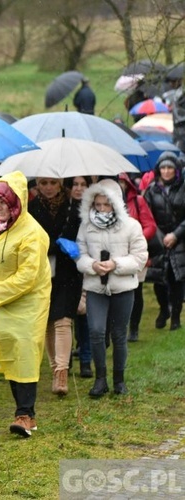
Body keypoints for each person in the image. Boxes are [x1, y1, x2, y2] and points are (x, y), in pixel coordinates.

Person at [0, 171, 51, 437]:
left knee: (23, 351)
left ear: (18, 203)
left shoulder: (32, 233)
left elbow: (28, 275)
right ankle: (25, 412)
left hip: (27, 302)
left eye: (6, 203)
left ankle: (25, 414)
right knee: (7, 348)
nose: (0, 208)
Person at [76, 180, 148, 398]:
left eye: (106, 205)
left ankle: (119, 380)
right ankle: (100, 379)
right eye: (97, 204)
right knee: (96, 331)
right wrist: (92, 265)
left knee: (118, 335)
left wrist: (116, 264)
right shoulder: (86, 225)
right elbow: (80, 255)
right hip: (96, 287)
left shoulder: (132, 226)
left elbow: (140, 257)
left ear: (116, 203)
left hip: (123, 287)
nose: (101, 209)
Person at [28, 177, 83, 396]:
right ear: (37, 185)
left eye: (53, 182)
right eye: (44, 183)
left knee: (63, 320)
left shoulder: (74, 206)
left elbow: (82, 235)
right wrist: (52, 244)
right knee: (49, 321)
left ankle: (62, 371)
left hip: (69, 270)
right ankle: (54, 368)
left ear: (60, 183)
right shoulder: (30, 209)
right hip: (43, 271)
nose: (49, 187)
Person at [143, 152, 185, 331]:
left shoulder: (183, 188)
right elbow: (146, 216)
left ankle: (176, 316)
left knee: (177, 279)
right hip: (158, 240)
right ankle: (163, 309)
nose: (166, 171)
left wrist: (176, 235)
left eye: (170, 168)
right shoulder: (151, 190)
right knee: (159, 279)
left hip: (180, 239)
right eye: (163, 168)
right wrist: (161, 237)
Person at [118, 173, 157, 342]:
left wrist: (136, 240)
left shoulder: (137, 201)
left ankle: (134, 328)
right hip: (115, 255)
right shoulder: (104, 204)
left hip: (135, 254)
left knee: (136, 291)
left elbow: (150, 225)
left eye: (121, 182)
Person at [67, 176, 93, 378]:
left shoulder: (93, 211)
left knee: (85, 314)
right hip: (66, 267)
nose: (79, 188)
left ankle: (86, 360)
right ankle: (65, 360)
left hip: (86, 265)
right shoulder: (64, 209)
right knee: (66, 314)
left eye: (83, 185)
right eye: (75, 184)